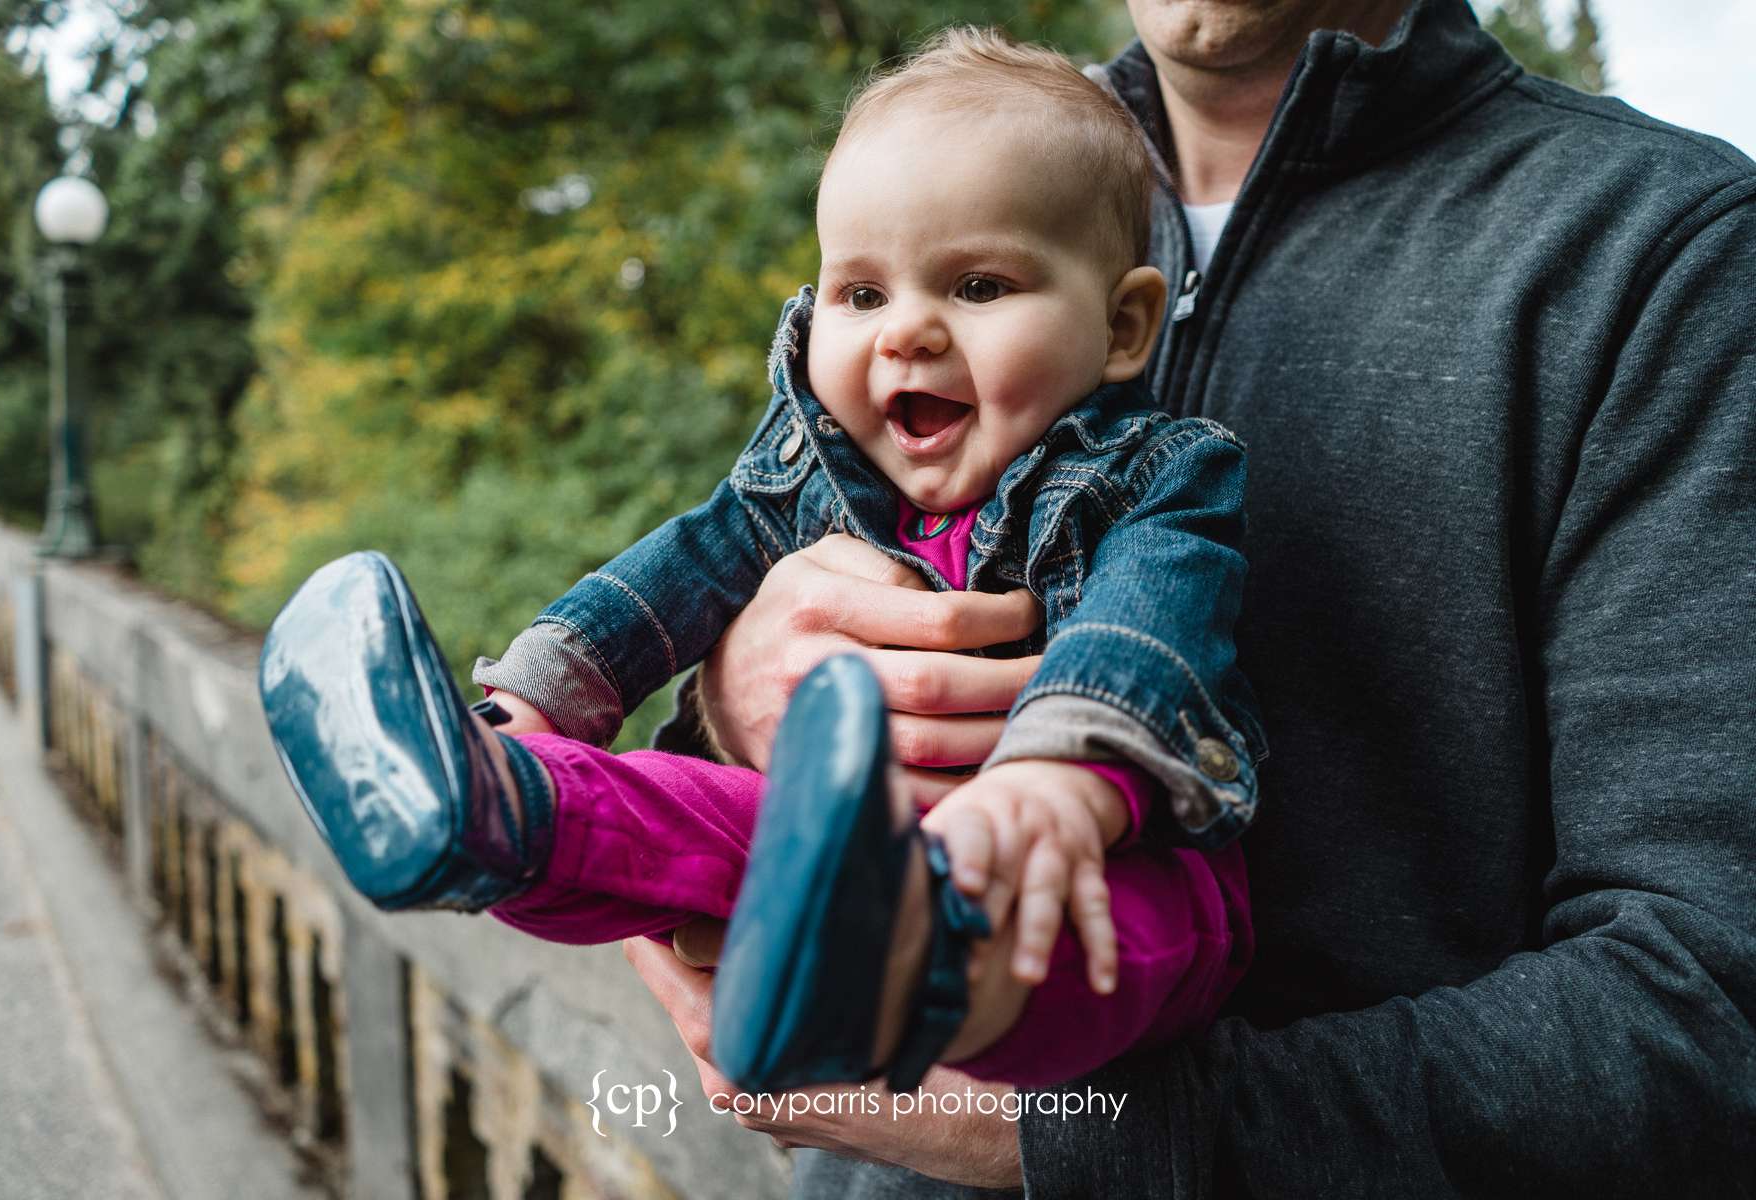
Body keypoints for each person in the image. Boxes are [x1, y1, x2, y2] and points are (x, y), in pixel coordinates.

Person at [614, 0, 1756, 1195]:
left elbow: (1709, 1003)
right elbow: (746, 543)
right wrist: (729, 707)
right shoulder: (952, 164)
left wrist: (1093, 1132)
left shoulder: (1662, 256)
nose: (908, 324)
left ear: (1127, 322)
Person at [260, 30, 1263, 1099]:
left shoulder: (1159, 475)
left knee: (1103, 909)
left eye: (976, 285)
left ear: (1122, 326)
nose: (905, 333)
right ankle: (490, 807)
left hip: (1089, 861)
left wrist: (1060, 784)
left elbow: (1146, 633)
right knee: (686, 812)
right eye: (861, 294)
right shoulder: (807, 475)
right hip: (832, 849)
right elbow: (664, 585)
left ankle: (912, 965)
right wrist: (538, 704)